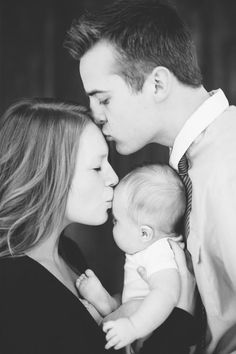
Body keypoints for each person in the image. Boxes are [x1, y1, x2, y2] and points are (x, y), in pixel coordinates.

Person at [66, 0, 236, 352]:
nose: (95, 115)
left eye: (104, 99)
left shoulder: (230, 164)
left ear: (157, 84)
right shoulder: (188, 168)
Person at [0, 98, 195, 354]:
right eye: (96, 167)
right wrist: (181, 316)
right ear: (49, 175)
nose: (114, 178)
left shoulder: (68, 253)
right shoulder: (12, 288)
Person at [77, 164, 197, 353]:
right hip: (143, 320)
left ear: (144, 233)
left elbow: (167, 294)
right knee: (132, 302)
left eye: (117, 220)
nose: (112, 224)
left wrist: (133, 327)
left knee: (135, 306)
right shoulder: (149, 248)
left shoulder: (160, 253)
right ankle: (110, 305)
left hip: (154, 324)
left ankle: (105, 320)